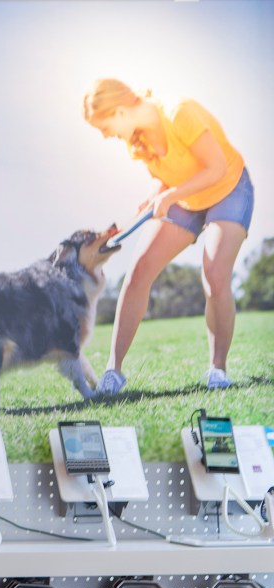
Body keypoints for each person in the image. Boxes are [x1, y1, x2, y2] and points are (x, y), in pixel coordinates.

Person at [82, 79, 254, 393]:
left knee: (215, 277)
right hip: (186, 198)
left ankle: (217, 369)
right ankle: (113, 372)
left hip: (228, 189)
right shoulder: (137, 140)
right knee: (138, 272)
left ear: (119, 112)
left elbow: (215, 169)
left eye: (103, 128)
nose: (106, 135)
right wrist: (154, 197)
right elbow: (164, 178)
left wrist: (171, 195)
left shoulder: (179, 111)